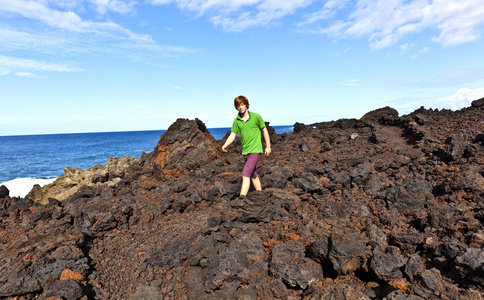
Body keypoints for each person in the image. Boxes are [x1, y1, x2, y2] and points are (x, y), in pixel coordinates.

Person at [222, 95, 271, 197]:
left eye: (242, 105)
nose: (240, 107)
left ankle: (242, 197)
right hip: (245, 151)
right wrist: (226, 144)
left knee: (245, 174)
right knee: (253, 175)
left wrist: (268, 146)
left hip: (256, 150)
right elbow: (233, 134)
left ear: (246, 105)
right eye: (238, 106)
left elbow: (264, 131)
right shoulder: (236, 121)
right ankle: (260, 195)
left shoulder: (256, 117)